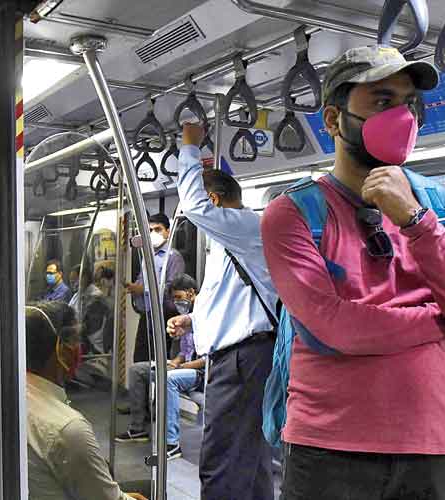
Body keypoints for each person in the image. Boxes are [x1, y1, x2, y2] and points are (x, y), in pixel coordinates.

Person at [260, 45, 445, 500]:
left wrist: (415, 221)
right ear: (334, 120)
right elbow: (335, 329)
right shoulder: (292, 214)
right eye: (381, 101)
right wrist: (443, 319)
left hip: (431, 445)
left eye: (409, 102)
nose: (403, 116)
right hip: (327, 449)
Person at [168, 124, 279, 500]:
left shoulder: (247, 227)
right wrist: (193, 321)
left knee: (220, 458)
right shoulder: (229, 242)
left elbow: (193, 205)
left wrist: (189, 147)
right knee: (250, 454)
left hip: (243, 360)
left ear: (213, 201)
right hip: (240, 356)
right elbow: (226, 297)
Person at [25, 301, 146, 500]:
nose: (79, 348)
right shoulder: (69, 429)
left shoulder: (13, 393)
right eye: (74, 340)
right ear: (60, 349)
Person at [116, 274, 205, 460]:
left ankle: (172, 444)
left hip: (201, 372)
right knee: (138, 370)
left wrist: (181, 367)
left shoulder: (205, 315)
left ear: (191, 293)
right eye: (174, 299)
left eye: (179, 297)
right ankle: (138, 428)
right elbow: (185, 351)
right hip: (185, 366)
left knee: (168, 379)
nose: (177, 302)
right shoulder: (185, 318)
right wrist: (175, 362)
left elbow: (208, 358)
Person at [125, 213, 184, 362]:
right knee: (140, 359)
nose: (153, 234)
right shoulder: (148, 257)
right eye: (150, 230)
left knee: (160, 360)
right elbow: (141, 280)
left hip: (166, 316)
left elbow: (172, 289)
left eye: (158, 229)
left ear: (168, 232)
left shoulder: (173, 257)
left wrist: (143, 290)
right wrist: (133, 287)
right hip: (147, 314)